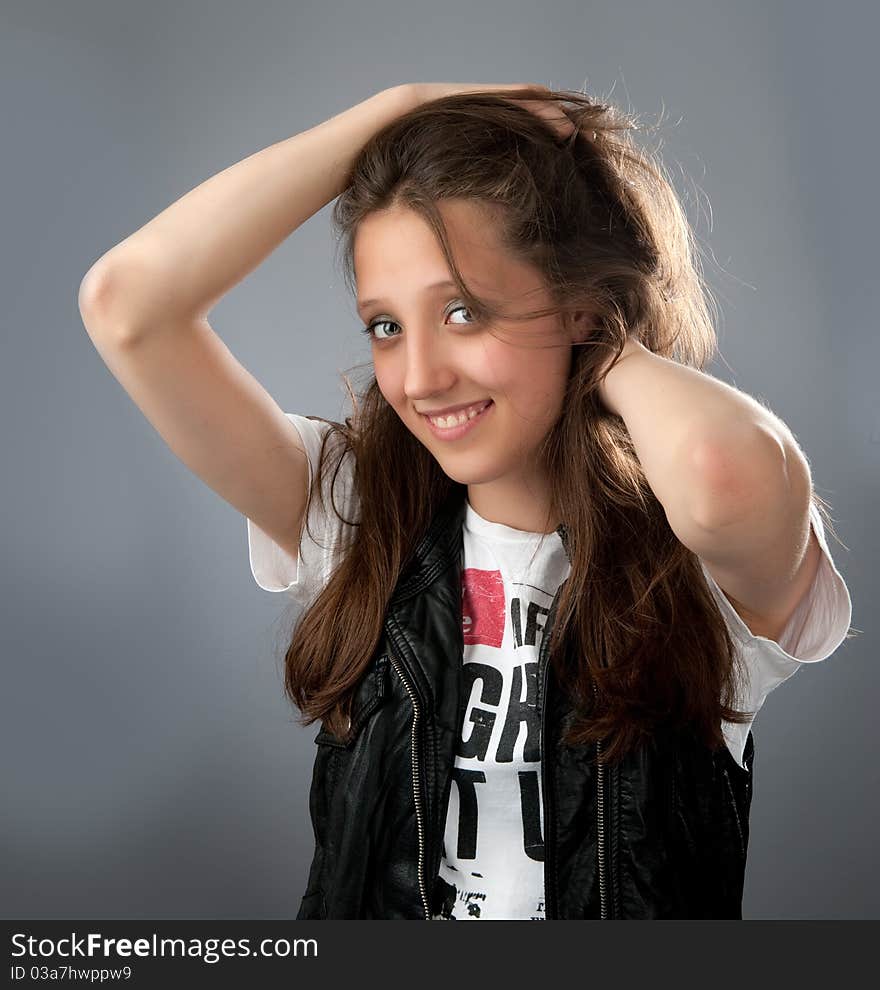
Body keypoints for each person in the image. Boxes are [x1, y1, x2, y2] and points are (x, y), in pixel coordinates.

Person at [79, 83, 853, 919]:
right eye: (385, 326)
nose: (419, 377)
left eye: (463, 312)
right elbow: (128, 306)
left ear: (582, 307)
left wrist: (596, 334)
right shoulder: (358, 520)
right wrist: (396, 110)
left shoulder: (694, 573)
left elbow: (721, 474)